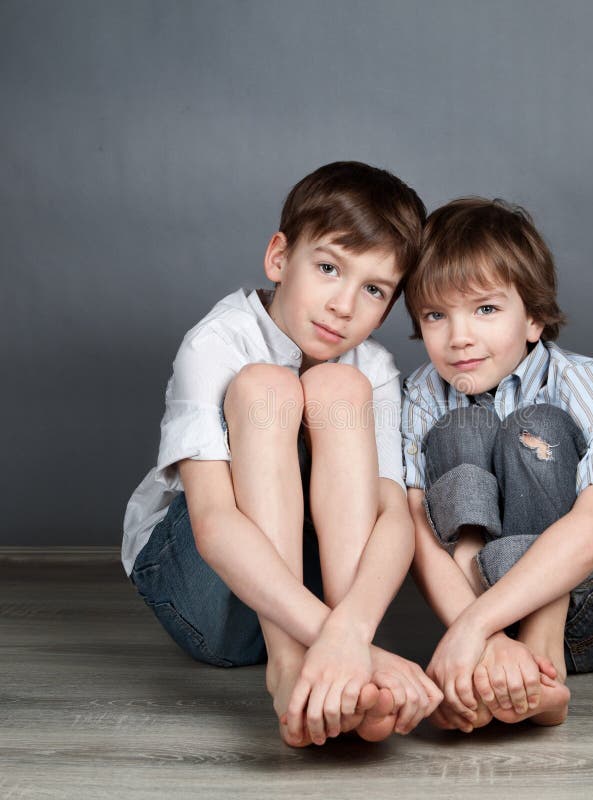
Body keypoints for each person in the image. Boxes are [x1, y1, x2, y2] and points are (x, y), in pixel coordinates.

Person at [122, 161, 442, 748]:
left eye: (373, 290)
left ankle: (335, 672)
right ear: (278, 258)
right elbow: (214, 523)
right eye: (327, 268)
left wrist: (351, 629)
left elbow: (394, 517)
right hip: (206, 590)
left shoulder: (372, 369)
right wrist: (357, 645)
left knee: (339, 389)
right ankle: (291, 667)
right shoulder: (218, 341)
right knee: (267, 385)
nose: (344, 305)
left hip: (314, 594)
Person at [401, 198, 593, 731]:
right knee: (460, 431)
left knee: (533, 427)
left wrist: (469, 631)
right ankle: (501, 669)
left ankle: (547, 672)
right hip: (487, 613)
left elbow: (592, 528)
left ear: (535, 318)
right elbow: (419, 532)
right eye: (435, 315)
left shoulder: (577, 380)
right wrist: (484, 638)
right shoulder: (423, 392)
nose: (459, 337)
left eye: (486, 310)